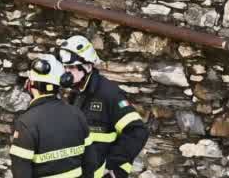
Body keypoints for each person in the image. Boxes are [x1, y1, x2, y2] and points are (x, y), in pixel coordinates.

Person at [56, 35, 149, 177]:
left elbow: (137, 131)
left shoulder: (108, 93)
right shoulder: (76, 95)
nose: (67, 72)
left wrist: (111, 164)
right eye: (65, 67)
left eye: (71, 67)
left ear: (87, 66)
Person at [8, 54, 92, 178]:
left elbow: (21, 171)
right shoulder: (77, 114)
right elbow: (91, 163)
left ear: (30, 85)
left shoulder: (26, 122)